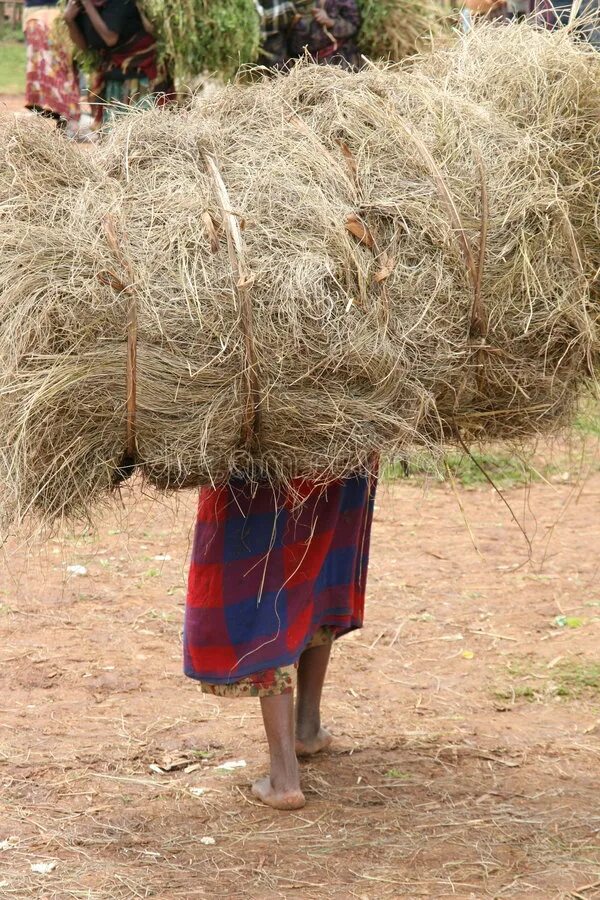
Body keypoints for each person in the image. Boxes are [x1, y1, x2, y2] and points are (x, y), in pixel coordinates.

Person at [185, 471, 377, 809]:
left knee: (261, 588)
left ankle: (284, 778)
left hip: (264, 456)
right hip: (341, 445)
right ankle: (307, 728)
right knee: (317, 558)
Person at [63, 0, 174, 127]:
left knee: (141, 128)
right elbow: (84, 47)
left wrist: (87, 4)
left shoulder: (120, 3)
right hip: (113, 74)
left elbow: (110, 38)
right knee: (115, 128)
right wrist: (69, 20)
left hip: (140, 72)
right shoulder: (78, 5)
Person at [23, 0, 80, 130]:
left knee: (42, 66)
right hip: (58, 14)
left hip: (33, 17)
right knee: (64, 67)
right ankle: (66, 114)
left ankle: (50, 109)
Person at [257, 0, 362, 70]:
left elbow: (353, 26)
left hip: (337, 61)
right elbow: (275, 39)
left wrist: (331, 22)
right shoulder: (282, 6)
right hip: (300, 66)